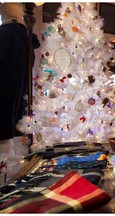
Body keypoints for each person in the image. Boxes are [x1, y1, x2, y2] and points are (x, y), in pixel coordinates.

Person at [0, 3, 39, 183]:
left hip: (3, 100)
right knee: (10, 153)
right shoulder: (27, 39)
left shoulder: (5, 35)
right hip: (19, 104)